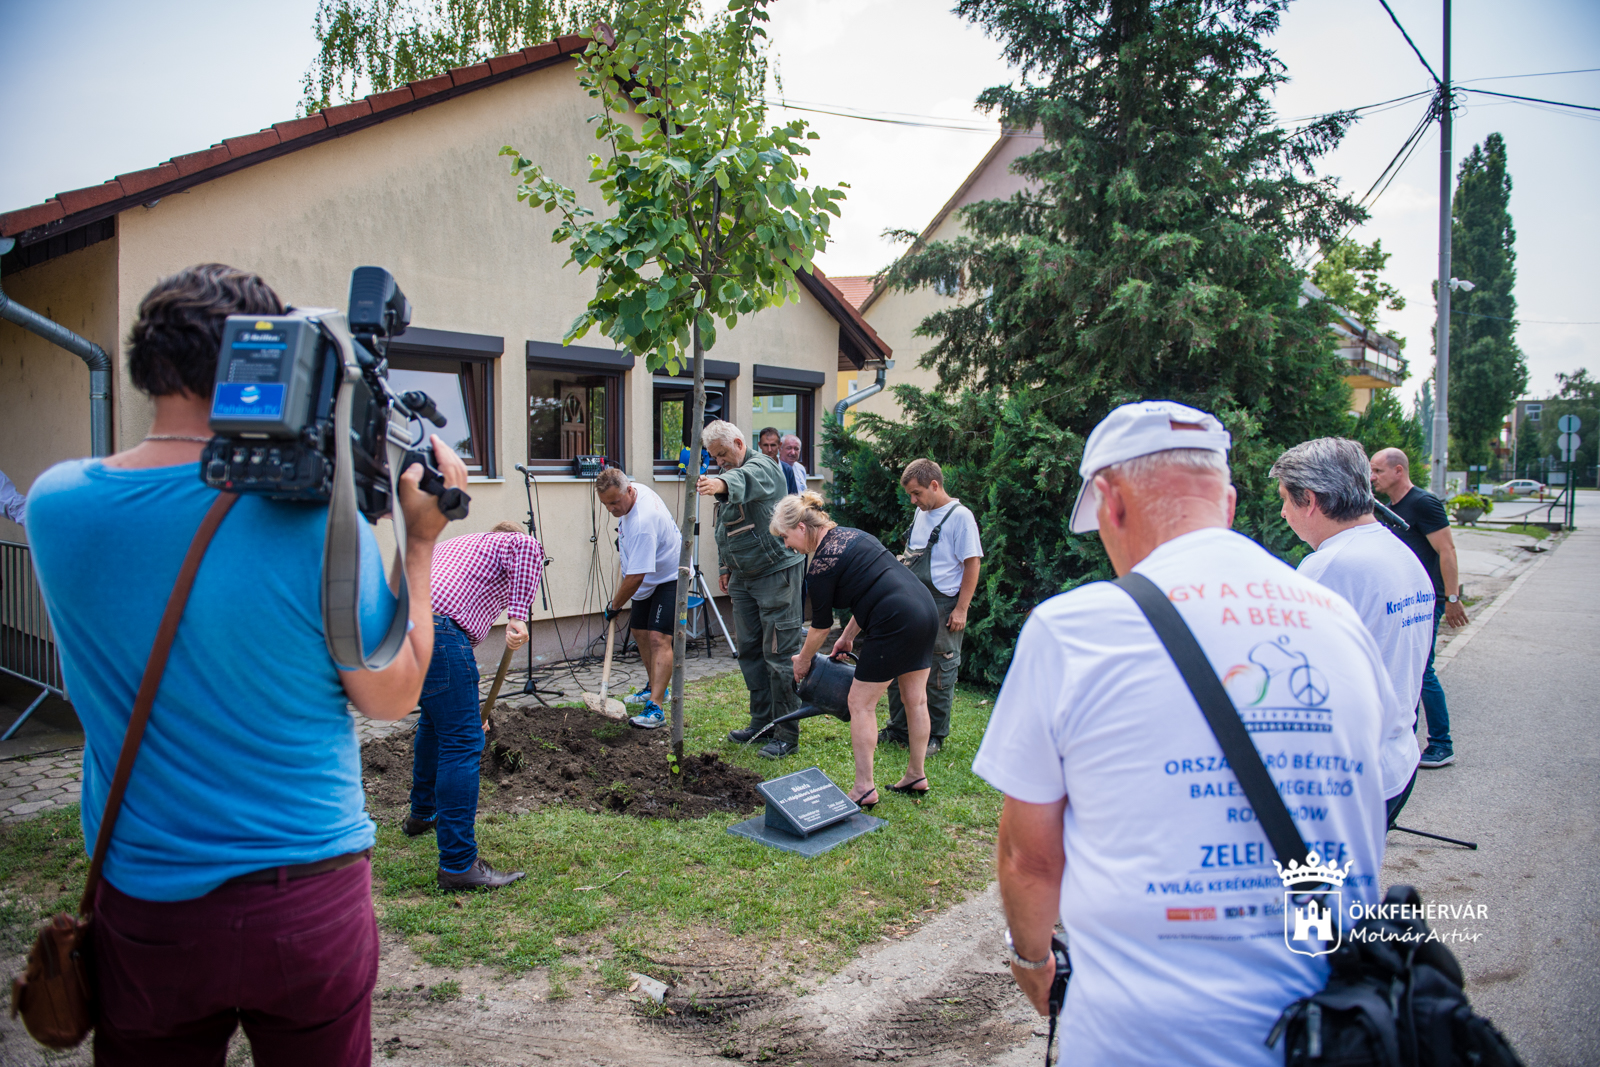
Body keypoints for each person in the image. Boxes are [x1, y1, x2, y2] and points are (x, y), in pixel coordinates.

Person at [26, 263, 466, 1064]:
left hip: (147, 901)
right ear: (263, 358)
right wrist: (422, 540)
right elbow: (393, 693)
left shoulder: (57, 507)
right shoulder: (312, 525)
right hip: (305, 897)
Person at [973, 400, 1407, 1067]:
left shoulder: (1075, 630)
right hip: (1331, 1030)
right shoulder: (1336, 616)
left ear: (1112, 504)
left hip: (1142, 1039)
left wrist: (1032, 958)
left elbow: (1030, 858)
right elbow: (1369, 799)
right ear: (1227, 502)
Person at [1271, 438, 1429, 820]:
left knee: (1316, 882)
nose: (1282, 514)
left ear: (1309, 500)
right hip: (1397, 758)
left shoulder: (1330, 567)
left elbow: (1284, 679)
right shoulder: (1398, 551)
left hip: (1350, 778)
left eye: (1286, 500)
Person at [773, 492, 940, 806]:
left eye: (785, 537)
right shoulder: (853, 535)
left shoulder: (821, 565)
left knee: (859, 703)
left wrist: (803, 661)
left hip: (894, 619)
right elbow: (874, 586)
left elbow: (820, 627)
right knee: (915, 699)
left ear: (801, 528)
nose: (787, 546)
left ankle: (864, 787)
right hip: (924, 609)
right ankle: (916, 775)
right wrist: (848, 636)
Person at [405, 519, 542, 889]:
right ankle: (458, 864)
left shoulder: (456, 549)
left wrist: (464, 711)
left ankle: (421, 814)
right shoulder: (511, 544)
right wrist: (518, 617)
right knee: (463, 742)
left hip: (403, 630)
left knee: (435, 726)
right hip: (438, 631)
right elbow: (528, 548)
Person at [696, 420, 807, 758]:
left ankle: (786, 733)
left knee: (778, 653)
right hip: (744, 576)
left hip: (776, 573)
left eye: (724, 454)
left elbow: (740, 481)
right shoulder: (730, 472)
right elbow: (726, 527)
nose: (721, 462)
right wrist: (727, 568)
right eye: (715, 457)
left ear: (740, 444)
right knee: (749, 651)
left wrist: (718, 482)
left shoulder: (764, 467)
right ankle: (762, 723)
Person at [1370, 447, 1468, 768]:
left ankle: (1442, 743)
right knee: (1405, 669)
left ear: (1399, 471)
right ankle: (1406, 738)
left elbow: (1447, 551)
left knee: (1423, 671)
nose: (1373, 478)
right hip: (1405, 598)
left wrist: (1451, 598)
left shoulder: (1423, 504)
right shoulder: (1390, 508)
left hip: (1428, 600)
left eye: (1378, 471)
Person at [882, 458, 983, 756]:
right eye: (911, 495)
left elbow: (972, 563)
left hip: (943, 605)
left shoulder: (960, 517)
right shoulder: (920, 512)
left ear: (935, 485)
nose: (913, 500)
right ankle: (899, 727)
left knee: (940, 670)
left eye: (917, 493)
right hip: (911, 601)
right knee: (900, 663)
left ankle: (934, 735)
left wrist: (961, 609)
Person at [595, 467, 680, 728]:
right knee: (639, 631)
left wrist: (614, 605)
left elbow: (635, 577)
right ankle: (656, 686)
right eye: (606, 504)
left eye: (615, 502)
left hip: (669, 574)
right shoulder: (633, 493)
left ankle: (656, 708)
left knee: (658, 637)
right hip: (645, 575)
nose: (611, 509)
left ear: (629, 490)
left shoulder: (644, 521)